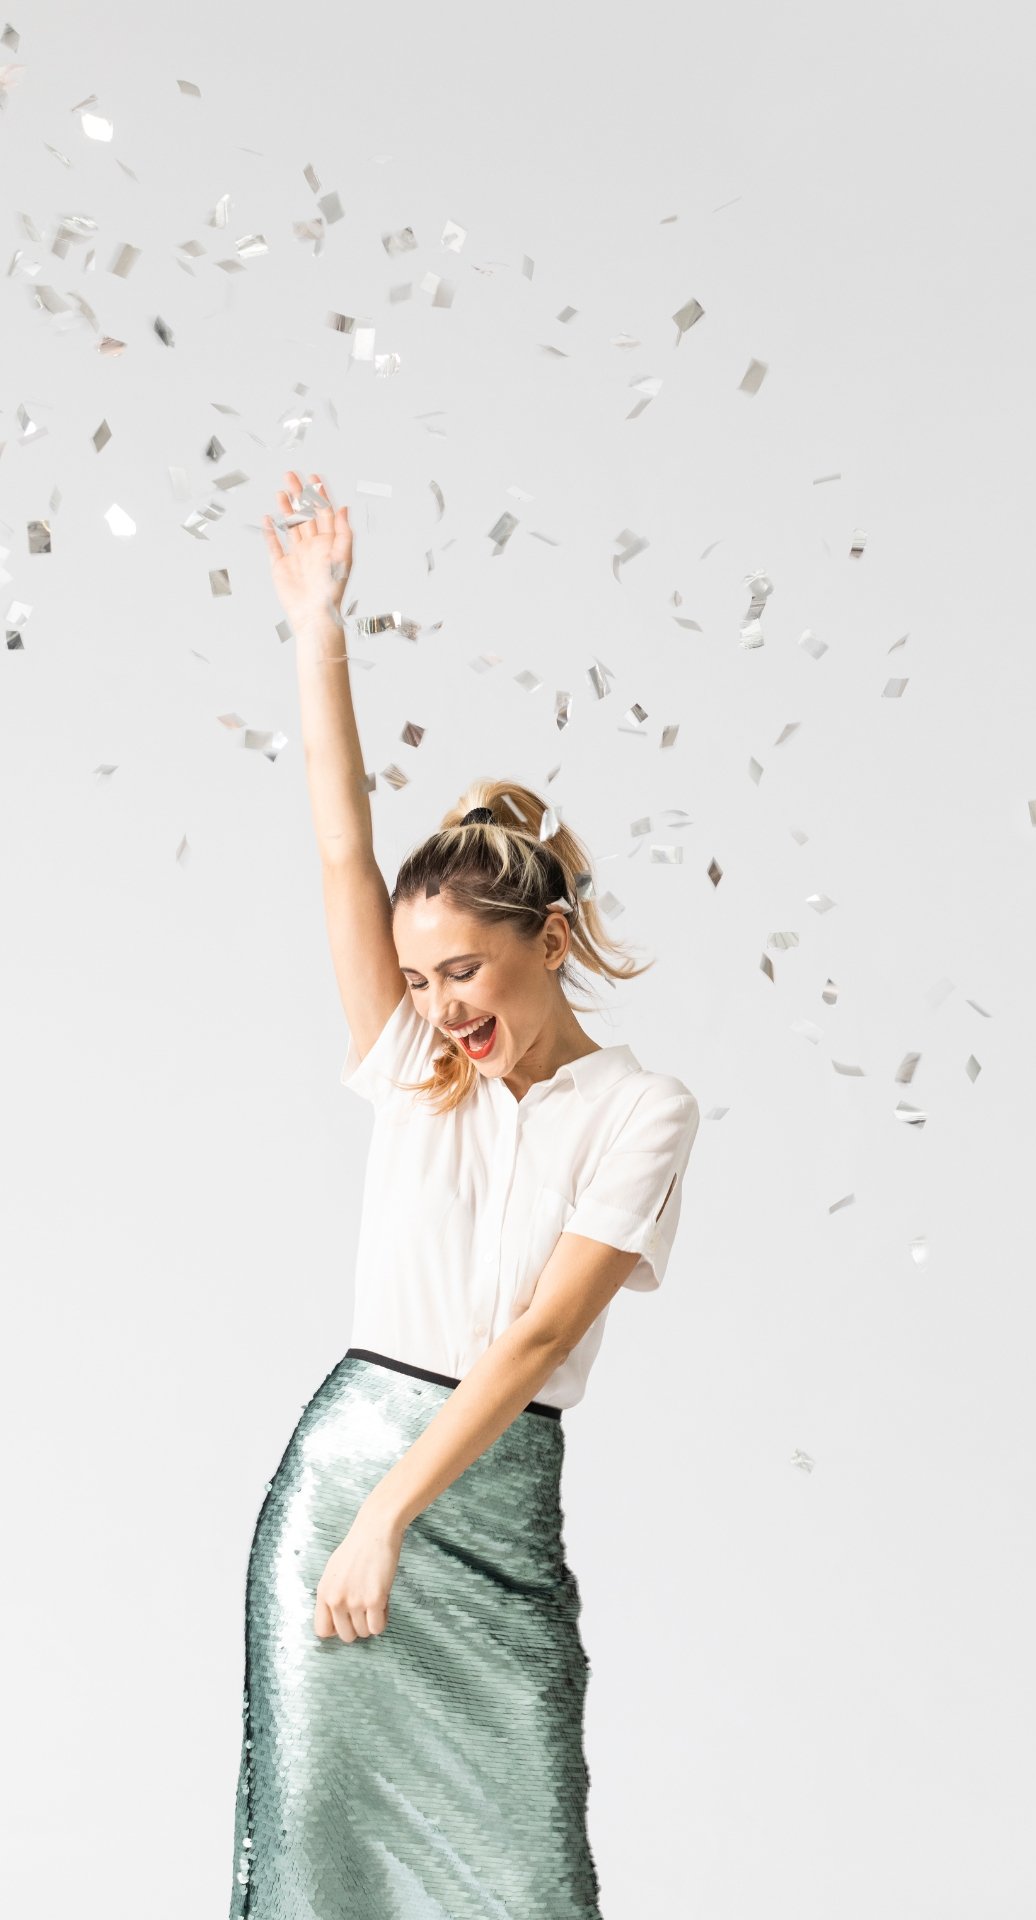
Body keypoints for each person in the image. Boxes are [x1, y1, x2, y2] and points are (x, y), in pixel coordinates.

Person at [228, 469, 702, 1919]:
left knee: (532, 1879)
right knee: (323, 1873)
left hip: (483, 1509)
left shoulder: (641, 1111)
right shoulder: (415, 1071)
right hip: (346, 1473)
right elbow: (336, 849)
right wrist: (318, 627)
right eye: (419, 977)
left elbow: (535, 1345)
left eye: (465, 972)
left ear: (550, 940)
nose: (438, 1005)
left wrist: (397, 1517)